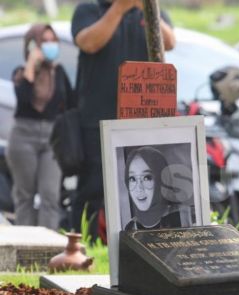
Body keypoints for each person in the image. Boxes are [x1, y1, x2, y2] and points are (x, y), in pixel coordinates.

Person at [71, 0, 175, 237]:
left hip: (140, 119)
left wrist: (145, 10)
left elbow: (169, 42)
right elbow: (89, 43)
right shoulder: (89, 10)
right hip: (96, 121)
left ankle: (133, 240)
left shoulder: (149, 11)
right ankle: (82, 241)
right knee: (93, 188)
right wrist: (119, 8)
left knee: (138, 186)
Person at [7, 24, 75, 230]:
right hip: (24, 137)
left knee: (50, 195)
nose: (50, 45)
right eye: (44, 41)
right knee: (25, 196)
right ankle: (25, 250)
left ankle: (48, 250)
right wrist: (31, 65)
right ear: (32, 45)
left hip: (51, 139)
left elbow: (71, 104)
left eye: (53, 40)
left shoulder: (59, 72)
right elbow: (24, 99)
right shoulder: (21, 74)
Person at [123, 146, 182, 230]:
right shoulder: (130, 227)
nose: (139, 188)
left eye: (147, 178)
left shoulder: (184, 217)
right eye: (132, 179)